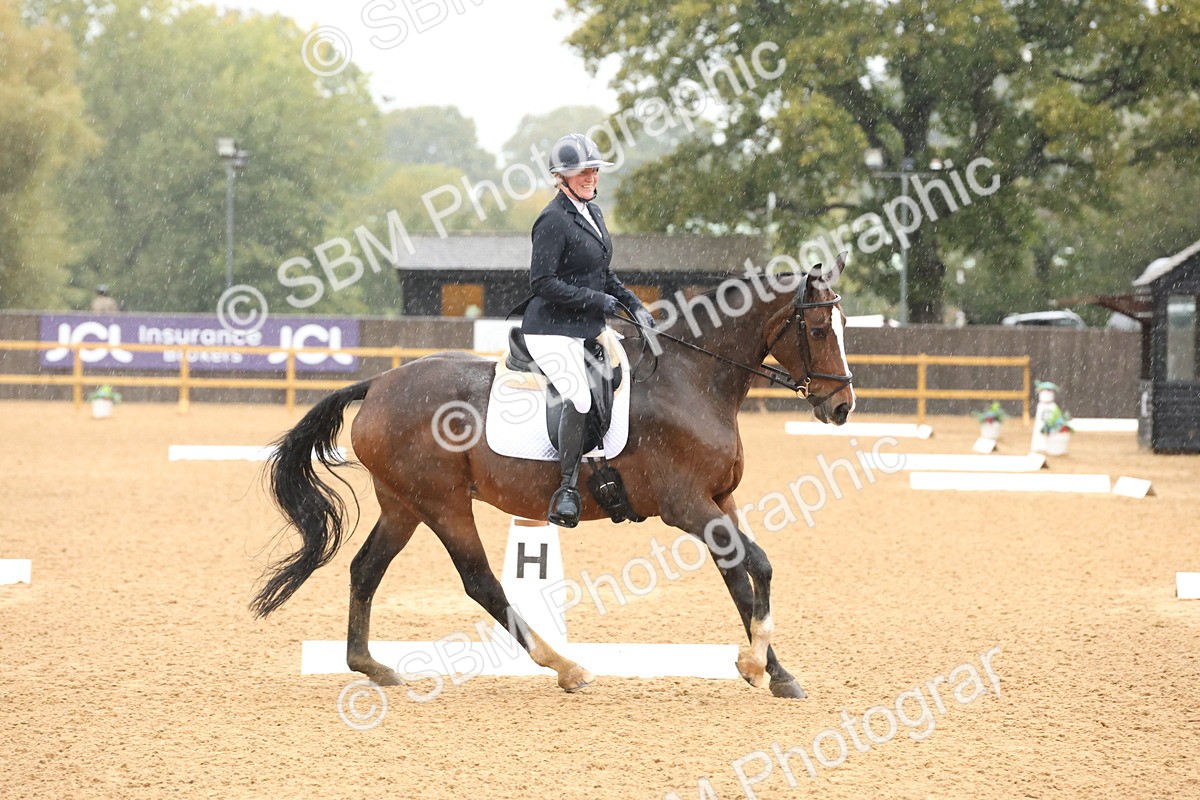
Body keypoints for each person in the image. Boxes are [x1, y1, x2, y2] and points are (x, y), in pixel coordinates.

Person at [522, 133, 655, 528]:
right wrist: (597, 302)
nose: (590, 176)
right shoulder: (552, 219)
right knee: (579, 398)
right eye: (581, 171)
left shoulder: (593, 213)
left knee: (626, 375)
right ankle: (566, 490)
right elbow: (542, 282)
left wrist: (632, 303)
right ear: (561, 177)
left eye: (593, 170)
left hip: (586, 327)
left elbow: (602, 274)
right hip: (551, 330)